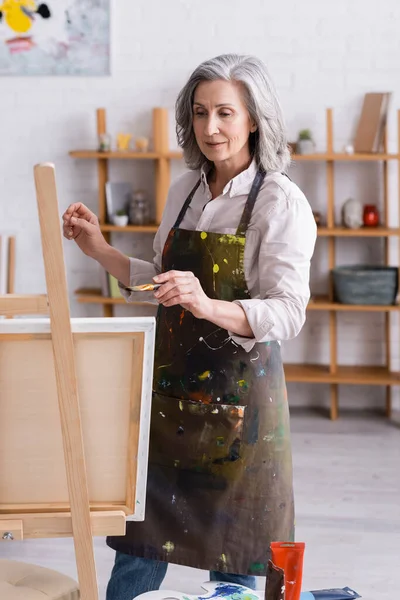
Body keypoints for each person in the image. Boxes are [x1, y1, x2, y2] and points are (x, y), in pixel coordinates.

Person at [62, 53, 317, 599]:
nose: (210, 128)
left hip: (240, 411)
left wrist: (207, 305)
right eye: (200, 113)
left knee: (233, 572)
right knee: (138, 549)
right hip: (168, 402)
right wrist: (99, 248)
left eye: (226, 113)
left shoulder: (280, 202)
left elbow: (288, 311)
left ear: (254, 119)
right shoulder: (185, 191)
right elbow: (160, 280)